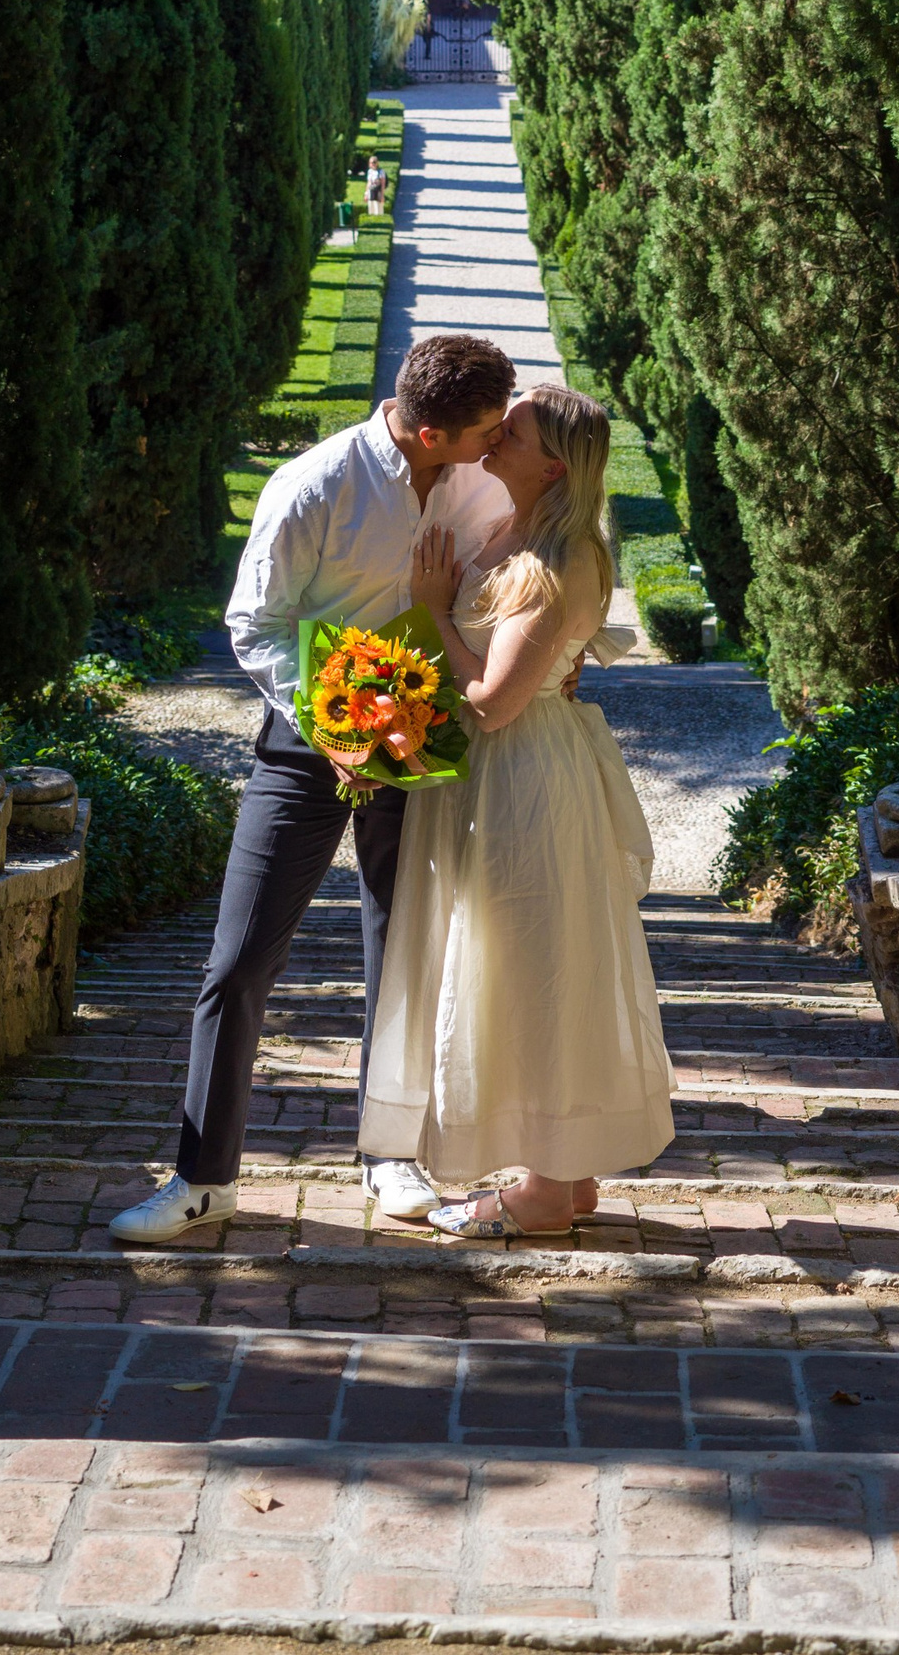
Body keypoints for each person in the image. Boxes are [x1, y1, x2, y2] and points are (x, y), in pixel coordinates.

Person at [107, 331, 520, 1243]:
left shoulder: (480, 484)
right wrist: (332, 724)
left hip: (425, 746)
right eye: (485, 427)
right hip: (303, 744)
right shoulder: (316, 483)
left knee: (402, 959)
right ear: (428, 432)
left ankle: (390, 1161)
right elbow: (254, 623)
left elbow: (499, 597)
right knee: (240, 961)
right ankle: (203, 1181)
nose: (498, 440)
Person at [359, 384, 676, 1237]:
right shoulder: (519, 528)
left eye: (517, 428)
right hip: (513, 771)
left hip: (521, 775)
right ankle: (564, 1174)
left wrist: (432, 611)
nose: (497, 433)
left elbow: (494, 702)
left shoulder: (556, 556)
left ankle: (540, 1193)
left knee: (531, 966)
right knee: (530, 959)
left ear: (551, 463)